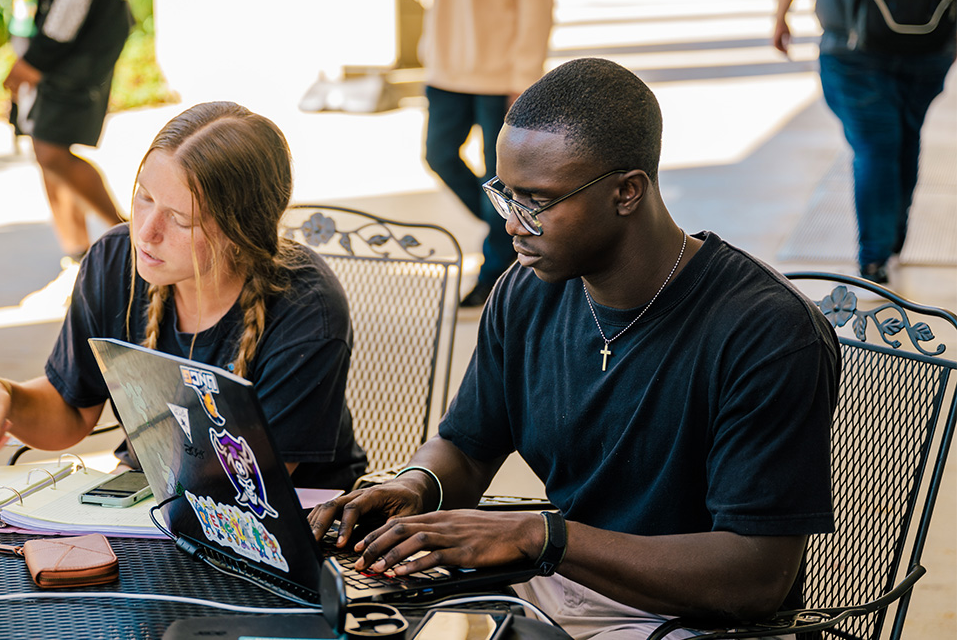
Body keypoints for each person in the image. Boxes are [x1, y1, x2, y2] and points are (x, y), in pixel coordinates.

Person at [309, 58, 841, 638]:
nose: (512, 224)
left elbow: (755, 578)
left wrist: (541, 535)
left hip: (693, 619)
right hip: (561, 583)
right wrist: (412, 487)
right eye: (504, 194)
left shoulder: (765, 332)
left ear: (627, 192)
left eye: (535, 201)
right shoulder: (526, 292)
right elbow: (466, 447)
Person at [0, 102, 367, 491]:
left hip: (286, 521)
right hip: (150, 496)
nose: (146, 231)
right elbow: (72, 409)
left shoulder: (307, 308)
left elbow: (248, 489)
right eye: (144, 197)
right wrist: (7, 398)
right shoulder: (115, 261)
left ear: (241, 233)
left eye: (181, 219)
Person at [774, 0, 956, 284]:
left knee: (876, 147)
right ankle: (892, 241)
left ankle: (875, 258)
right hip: (931, 40)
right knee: (906, 137)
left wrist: (781, 14)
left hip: (853, 44)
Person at [419, 0, 554, 307]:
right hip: (444, 68)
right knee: (439, 156)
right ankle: (510, 230)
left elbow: (536, 7)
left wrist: (525, 77)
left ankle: (493, 272)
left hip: (501, 74)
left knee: (500, 175)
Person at [4, 0, 132, 268]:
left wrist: (36, 60)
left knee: (51, 151)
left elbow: (73, 4)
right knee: (46, 148)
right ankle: (78, 259)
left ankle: (129, 238)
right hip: (45, 31)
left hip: (76, 41)